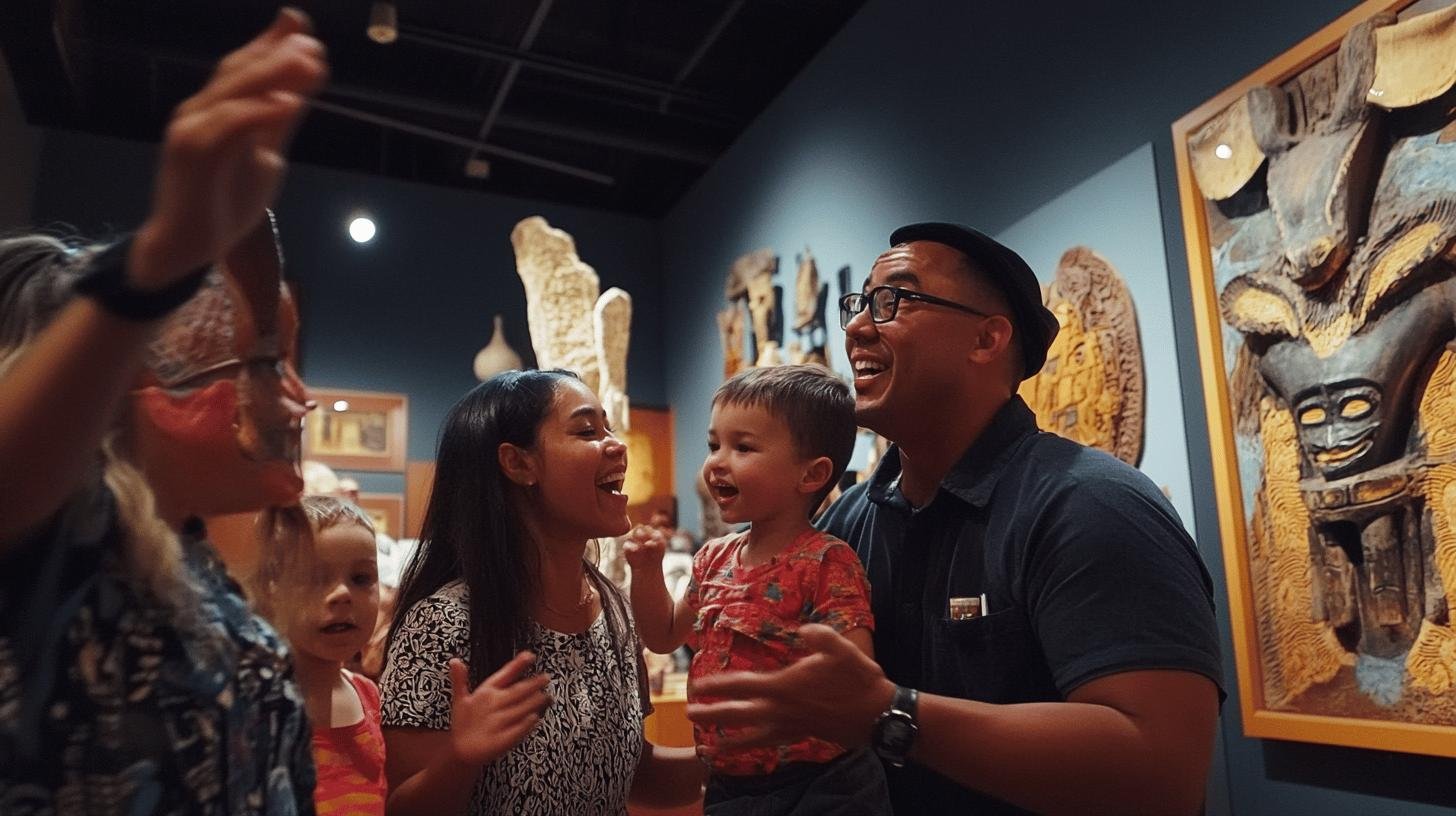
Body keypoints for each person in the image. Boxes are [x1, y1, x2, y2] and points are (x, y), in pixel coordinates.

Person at [688, 223, 1224, 814]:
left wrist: (889, 715)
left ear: (987, 338)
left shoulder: (1092, 506)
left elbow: (1164, 773)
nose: (858, 327)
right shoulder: (847, 522)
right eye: (861, 303)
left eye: (894, 300)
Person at [0, 8, 327, 812]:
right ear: (164, 386)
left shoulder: (189, 574)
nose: (298, 395)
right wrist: (159, 261)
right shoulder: (66, 564)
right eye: (269, 361)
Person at [379, 369, 703, 815]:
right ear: (518, 463)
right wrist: (461, 758)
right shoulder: (442, 623)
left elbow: (638, 777)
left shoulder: (613, 609)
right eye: (587, 430)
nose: (617, 444)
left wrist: (750, 747)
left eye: (607, 428)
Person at [626, 364, 890, 815]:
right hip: (730, 783)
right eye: (714, 445)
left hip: (822, 783)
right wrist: (646, 571)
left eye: (742, 447)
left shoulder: (827, 560)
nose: (716, 462)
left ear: (810, 476)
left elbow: (854, 675)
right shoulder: (712, 558)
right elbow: (662, 634)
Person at [252, 496, 388, 815]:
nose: (342, 595)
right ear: (271, 591)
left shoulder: (369, 696)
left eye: (361, 578)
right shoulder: (260, 705)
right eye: (314, 578)